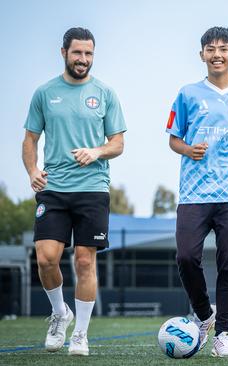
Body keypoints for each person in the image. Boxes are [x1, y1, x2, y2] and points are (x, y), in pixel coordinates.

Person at [21, 27, 126, 356]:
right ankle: (59, 313)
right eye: (78, 53)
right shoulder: (44, 93)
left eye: (89, 54)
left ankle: (80, 334)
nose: (83, 60)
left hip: (93, 189)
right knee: (46, 259)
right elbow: (30, 140)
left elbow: (118, 144)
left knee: (84, 261)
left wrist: (96, 152)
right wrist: (32, 171)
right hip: (53, 190)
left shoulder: (106, 93)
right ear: (64, 52)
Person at [166, 26, 228, 358]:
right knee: (186, 257)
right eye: (210, 48)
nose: (217, 54)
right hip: (194, 192)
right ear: (202, 55)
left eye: (223, 48)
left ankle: (223, 334)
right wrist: (187, 149)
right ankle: (204, 314)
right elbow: (173, 138)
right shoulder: (187, 94)